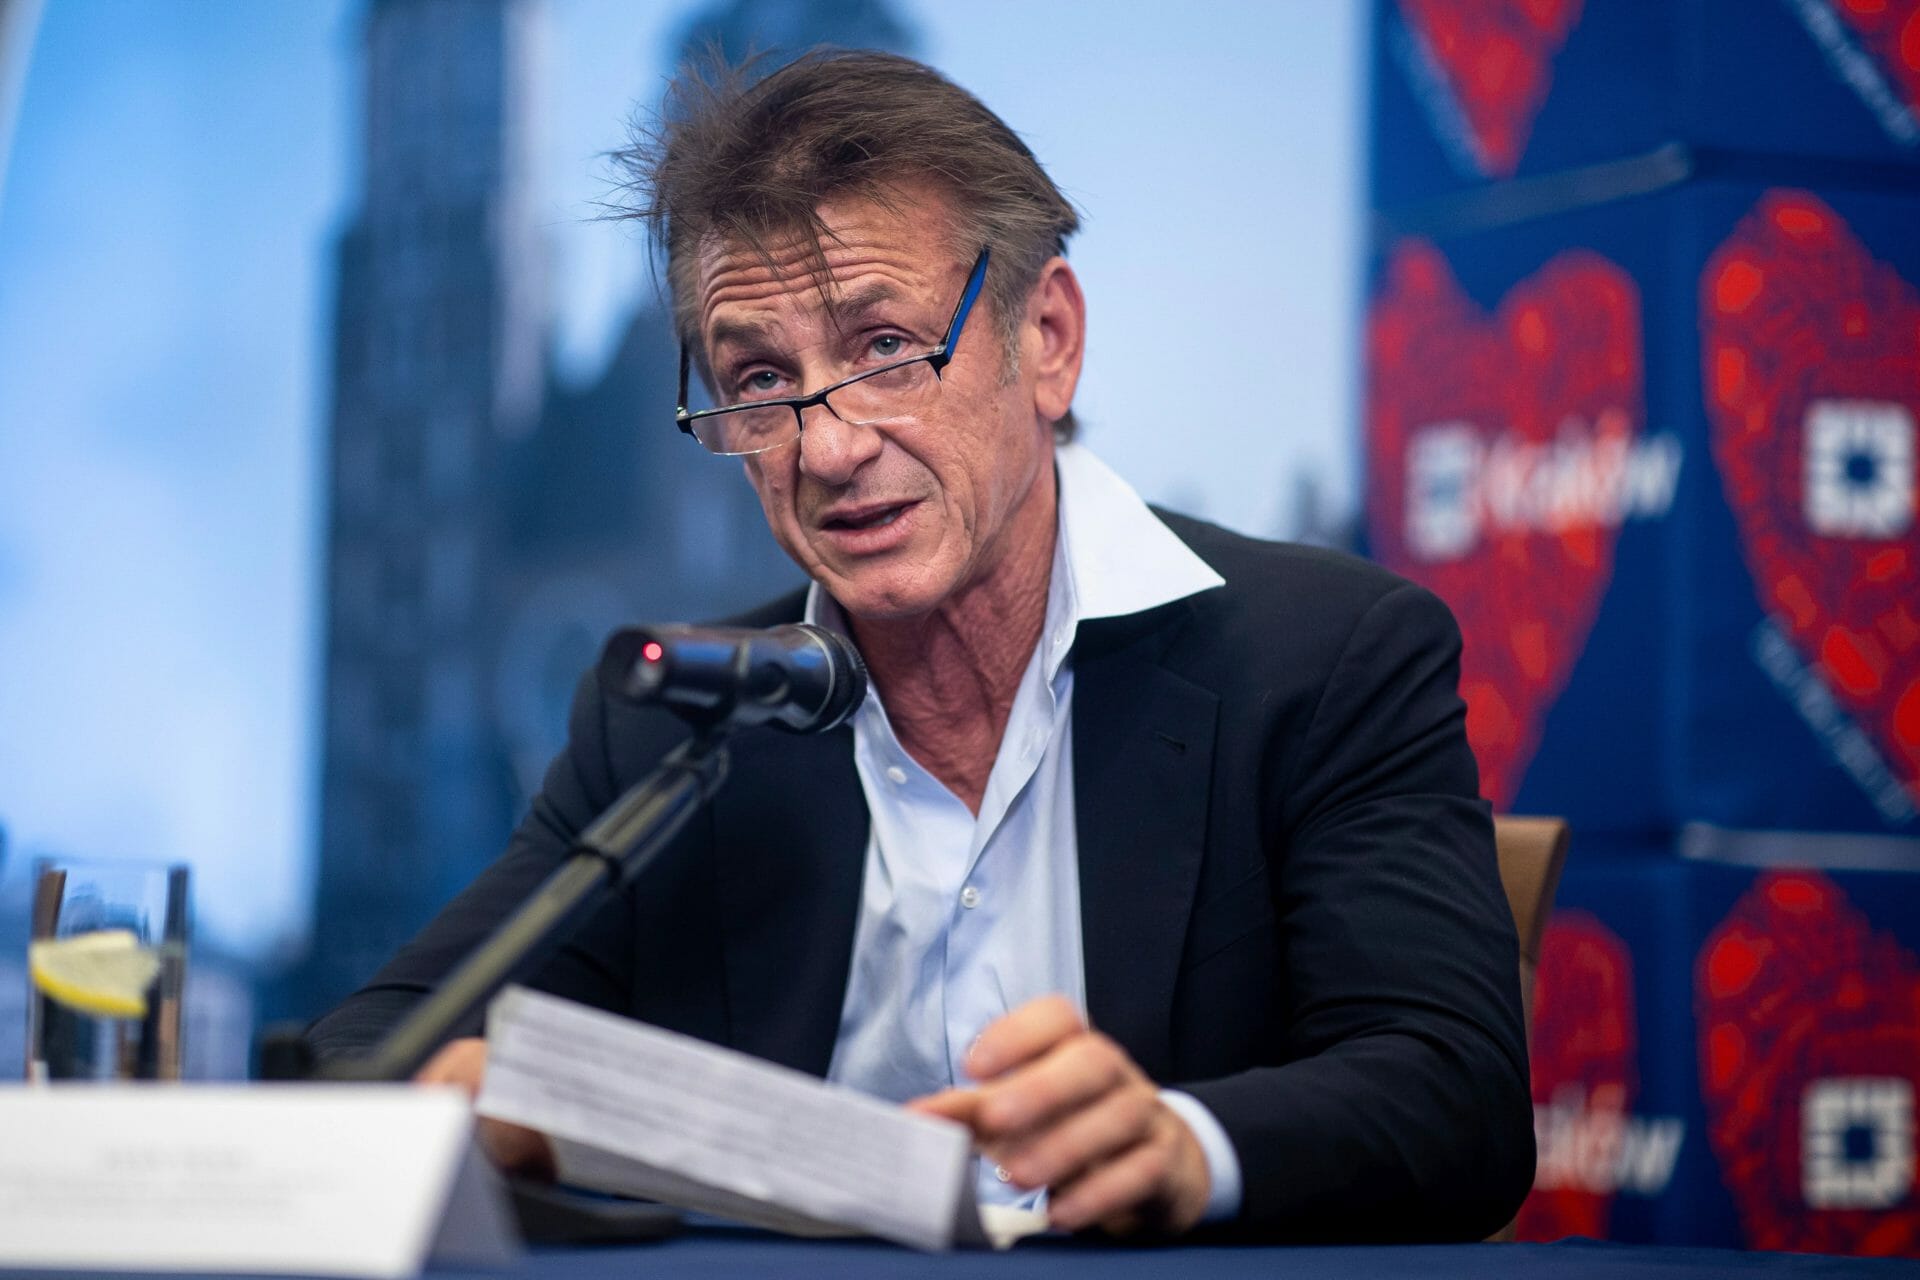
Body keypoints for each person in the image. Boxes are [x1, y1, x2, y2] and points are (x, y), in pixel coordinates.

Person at [309, 50, 1534, 1242]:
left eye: (885, 348)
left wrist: (1182, 1143)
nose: (828, 446)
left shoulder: (1324, 657)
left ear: (1047, 338)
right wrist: (506, 1098)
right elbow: (369, 1046)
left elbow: (1455, 1095)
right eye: (759, 377)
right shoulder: (679, 718)